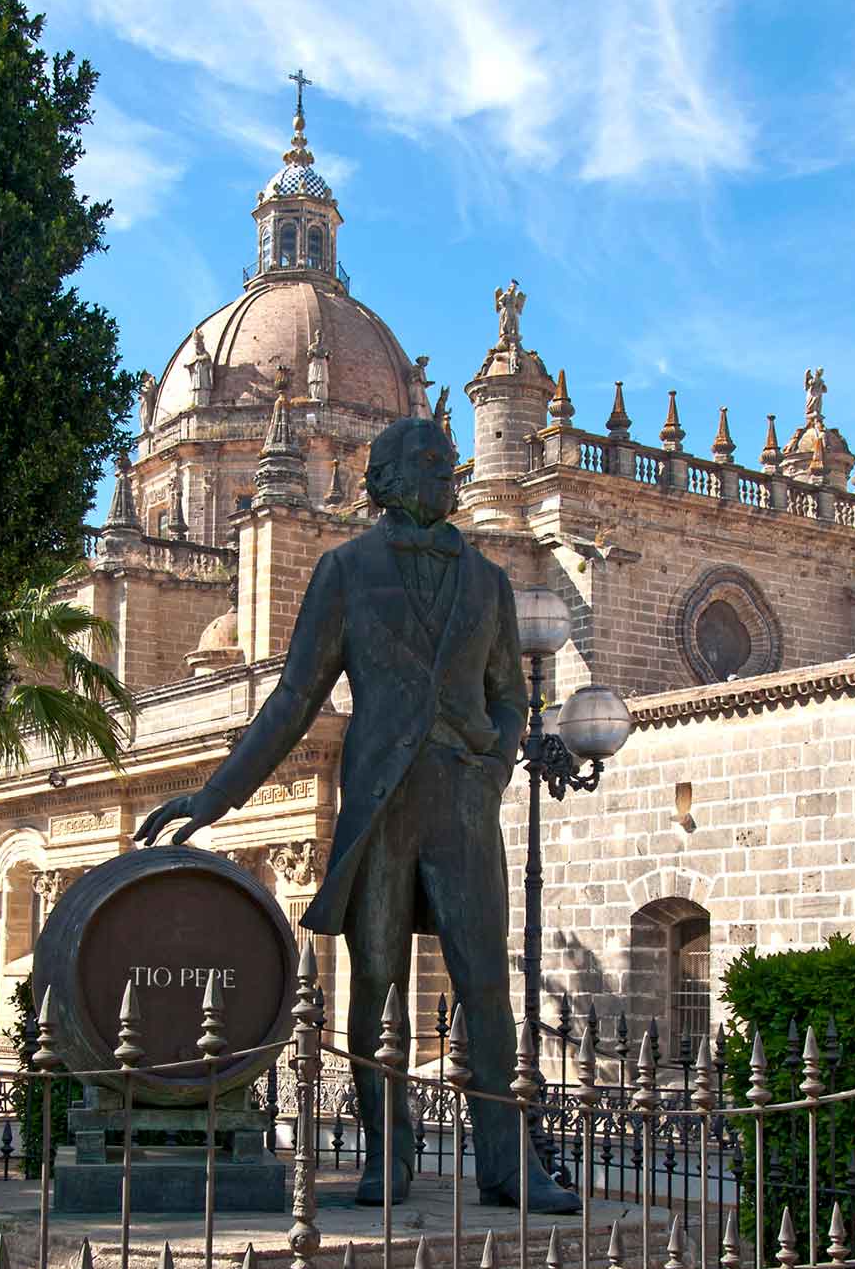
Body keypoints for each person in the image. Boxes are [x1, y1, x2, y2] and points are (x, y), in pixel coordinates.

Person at [136, 416, 577, 1214]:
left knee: (486, 990)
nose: (454, 477)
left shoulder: (490, 582)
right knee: (376, 987)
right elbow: (295, 697)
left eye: (452, 465)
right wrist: (215, 795)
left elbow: (512, 699)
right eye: (438, 465)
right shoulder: (344, 571)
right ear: (389, 479)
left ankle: (511, 1168)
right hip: (381, 804)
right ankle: (388, 1158)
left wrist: (496, 762)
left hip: (465, 808)